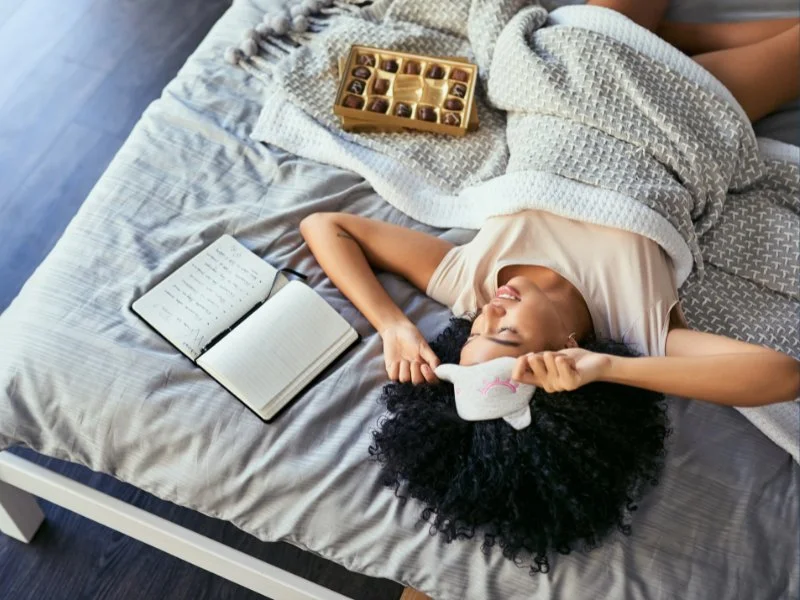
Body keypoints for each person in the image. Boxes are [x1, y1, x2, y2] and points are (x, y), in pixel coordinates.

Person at [300, 0, 800, 574]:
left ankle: (675, 33)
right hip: (684, 115)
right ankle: (680, 38)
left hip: (569, 72)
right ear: (560, 354)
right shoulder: (634, 322)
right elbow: (781, 375)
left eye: (476, 333)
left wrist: (393, 324)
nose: (492, 315)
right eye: (508, 337)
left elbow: (327, 227)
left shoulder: (470, 281)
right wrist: (606, 368)